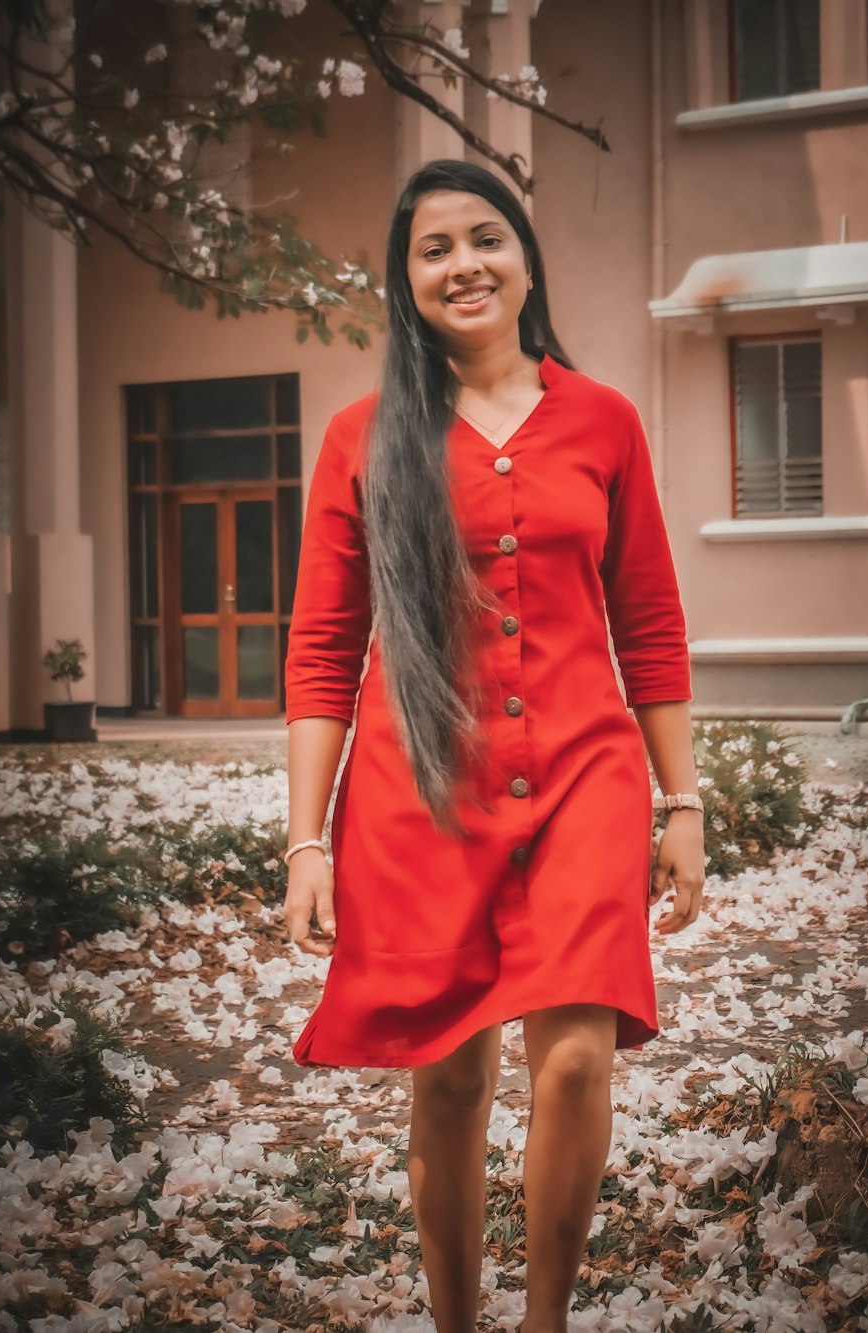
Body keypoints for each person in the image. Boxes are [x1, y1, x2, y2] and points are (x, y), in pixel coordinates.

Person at [282, 158, 706, 1333]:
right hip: (422, 794)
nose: (462, 263)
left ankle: (545, 1322)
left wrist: (684, 803)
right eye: (433, 249)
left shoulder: (605, 419)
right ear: (406, 281)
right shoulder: (363, 437)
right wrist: (302, 842)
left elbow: (650, 620)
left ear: (524, 257)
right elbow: (323, 649)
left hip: (585, 776)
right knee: (453, 1075)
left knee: (575, 1057)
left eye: (485, 238)